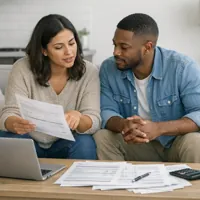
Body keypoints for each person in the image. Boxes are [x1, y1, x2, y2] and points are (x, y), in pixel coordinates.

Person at [93, 13, 200, 163]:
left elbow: (198, 112)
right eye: (115, 45)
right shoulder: (108, 68)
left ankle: (193, 187)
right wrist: (124, 125)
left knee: (195, 141)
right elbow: (106, 111)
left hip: (174, 144)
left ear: (147, 47)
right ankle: (116, 184)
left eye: (124, 47)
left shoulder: (182, 67)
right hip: (135, 144)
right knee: (103, 137)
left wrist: (159, 128)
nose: (116, 52)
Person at [0, 14, 101, 160]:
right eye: (59, 47)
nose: (69, 52)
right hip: (29, 140)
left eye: (72, 43)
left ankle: (79, 182)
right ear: (44, 50)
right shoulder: (22, 68)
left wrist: (79, 118)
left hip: (67, 143)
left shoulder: (89, 71)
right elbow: (8, 113)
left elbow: (94, 120)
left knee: (85, 142)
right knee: (8, 137)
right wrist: (13, 123)